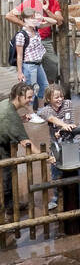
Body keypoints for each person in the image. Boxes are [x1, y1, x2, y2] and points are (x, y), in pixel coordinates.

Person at [6, 0, 62, 83]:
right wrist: (26, 25)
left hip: (45, 40)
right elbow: (9, 15)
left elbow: (59, 21)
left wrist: (47, 10)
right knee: (30, 68)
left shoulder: (54, 2)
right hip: (30, 40)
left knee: (52, 65)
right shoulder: (30, 3)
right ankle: (29, 91)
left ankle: (48, 92)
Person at [37, 85, 80, 212]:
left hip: (71, 143)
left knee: (78, 172)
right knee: (55, 173)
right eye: (56, 97)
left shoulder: (68, 104)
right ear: (48, 99)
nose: (60, 99)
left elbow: (71, 122)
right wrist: (62, 127)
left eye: (61, 96)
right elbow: (51, 118)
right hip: (56, 146)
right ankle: (56, 198)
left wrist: (63, 129)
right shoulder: (45, 110)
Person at [0, 81, 35, 225]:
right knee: (7, 173)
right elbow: (26, 142)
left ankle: (9, 204)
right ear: (19, 96)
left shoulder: (5, 103)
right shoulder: (10, 115)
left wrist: (20, 120)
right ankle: (9, 207)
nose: (31, 100)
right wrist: (46, 157)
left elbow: (8, 121)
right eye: (28, 97)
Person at [15, 15, 48, 107]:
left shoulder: (36, 29)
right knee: (29, 90)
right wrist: (20, 72)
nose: (33, 20)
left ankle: (41, 110)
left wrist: (41, 16)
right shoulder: (21, 35)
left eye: (33, 18)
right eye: (30, 18)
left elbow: (53, 21)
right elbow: (19, 55)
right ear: (23, 20)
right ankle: (31, 113)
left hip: (38, 64)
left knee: (44, 86)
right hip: (29, 66)